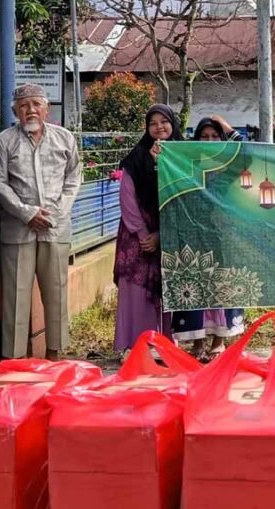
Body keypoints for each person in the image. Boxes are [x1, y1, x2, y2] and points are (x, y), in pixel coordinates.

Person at [0, 83, 82, 360]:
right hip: (18, 229)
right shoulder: (4, 141)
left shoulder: (65, 138)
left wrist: (56, 213)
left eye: (36, 104)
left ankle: (56, 354)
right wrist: (27, 212)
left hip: (56, 227)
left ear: (46, 108)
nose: (30, 110)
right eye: (24, 105)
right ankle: (13, 357)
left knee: (56, 292)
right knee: (15, 295)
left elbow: (73, 179)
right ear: (15, 110)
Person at [159, 116, 245, 360]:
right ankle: (197, 341)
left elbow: (245, 154)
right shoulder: (185, 164)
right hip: (191, 233)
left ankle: (219, 340)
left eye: (214, 137)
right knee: (193, 284)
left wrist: (226, 125)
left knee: (221, 285)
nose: (209, 141)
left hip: (221, 233)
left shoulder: (227, 167)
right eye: (203, 137)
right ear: (195, 140)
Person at [113, 104, 181, 353]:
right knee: (136, 290)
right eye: (153, 123)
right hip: (136, 238)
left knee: (166, 292)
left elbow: (184, 199)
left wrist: (162, 235)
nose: (159, 127)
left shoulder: (184, 157)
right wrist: (144, 235)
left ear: (173, 124)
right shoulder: (136, 158)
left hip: (171, 235)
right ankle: (133, 346)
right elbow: (128, 199)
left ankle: (162, 346)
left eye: (164, 121)